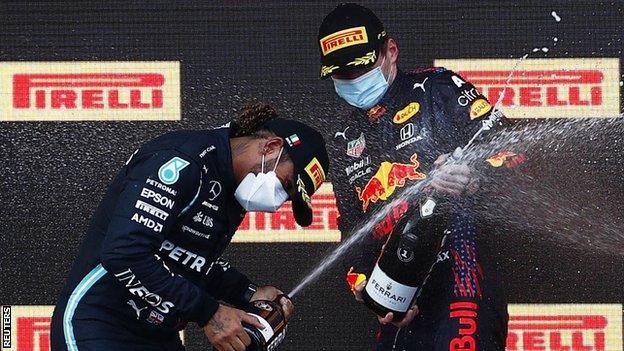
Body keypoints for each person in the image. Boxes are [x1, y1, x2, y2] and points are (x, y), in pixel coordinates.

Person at [317, 4, 525, 351]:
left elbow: (515, 152)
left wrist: (473, 176)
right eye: (341, 74)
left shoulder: (438, 87)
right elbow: (353, 230)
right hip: (399, 298)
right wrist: (365, 286)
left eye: (360, 68)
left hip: (460, 274)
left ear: (391, 51)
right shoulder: (344, 137)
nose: (353, 81)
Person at [50, 103, 330, 351]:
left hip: (157, 336)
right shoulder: (184, 161)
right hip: (98, 325)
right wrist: (209, 313)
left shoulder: (232, 187)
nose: (279, 200)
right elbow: (125, 252)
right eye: (286, 186)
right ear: (271, 147)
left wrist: (249, 293)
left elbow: (189, 261)